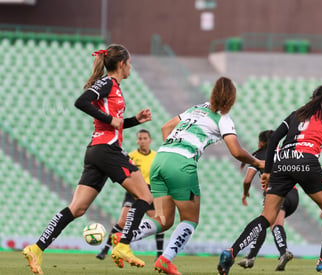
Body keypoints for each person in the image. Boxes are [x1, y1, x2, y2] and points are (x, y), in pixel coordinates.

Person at [217, 84, 322, 275]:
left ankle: (231, 252)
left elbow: (273, 140)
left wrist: (268, 171)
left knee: (267, 216)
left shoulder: (295, 114)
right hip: (306, 160)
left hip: (282, 161)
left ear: (312, 97)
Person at [110, 76, 264, 275]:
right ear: (231, 100)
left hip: (161, 158)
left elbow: (165, 127)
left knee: (163, 220)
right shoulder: (224, 119)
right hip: (181, 163)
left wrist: (171, 150)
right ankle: (165, 260)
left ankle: (125, 237)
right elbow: (236, 151)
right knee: (190, 219)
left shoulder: (197, 108)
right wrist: (257, 162)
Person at [22, 44, 153, 274]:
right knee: (144, 196)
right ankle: (123, 245)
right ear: (121, 64)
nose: (131, 67)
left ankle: (37, 248)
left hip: (97, 150)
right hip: (107, 150)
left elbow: (113, 123)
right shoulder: (108, 83)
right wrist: (109, 118)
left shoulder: (114, 87)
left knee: (77, 208)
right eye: (129, 63)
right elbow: (81, 102)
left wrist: (134, 120)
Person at [96, 129, 165, 260]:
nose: (142, 141)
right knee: (122, 221)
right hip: (133, 191)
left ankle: (159, 254)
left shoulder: (156, 157)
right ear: (137, 141)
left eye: (145, 138)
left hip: (151, 191)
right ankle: (105, 250)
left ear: (150, 140)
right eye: (140, 138)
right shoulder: (131, 156)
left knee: (159, 222)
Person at [237, 130, 299, 271]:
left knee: (269, 223)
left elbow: (247, 180)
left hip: (276, 193)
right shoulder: (285, 153)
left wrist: (245, 193)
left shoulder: (259, 155)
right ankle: (250, 257)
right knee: (263, 222)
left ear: (262, 142)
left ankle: (283, 252)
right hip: (294, 195)